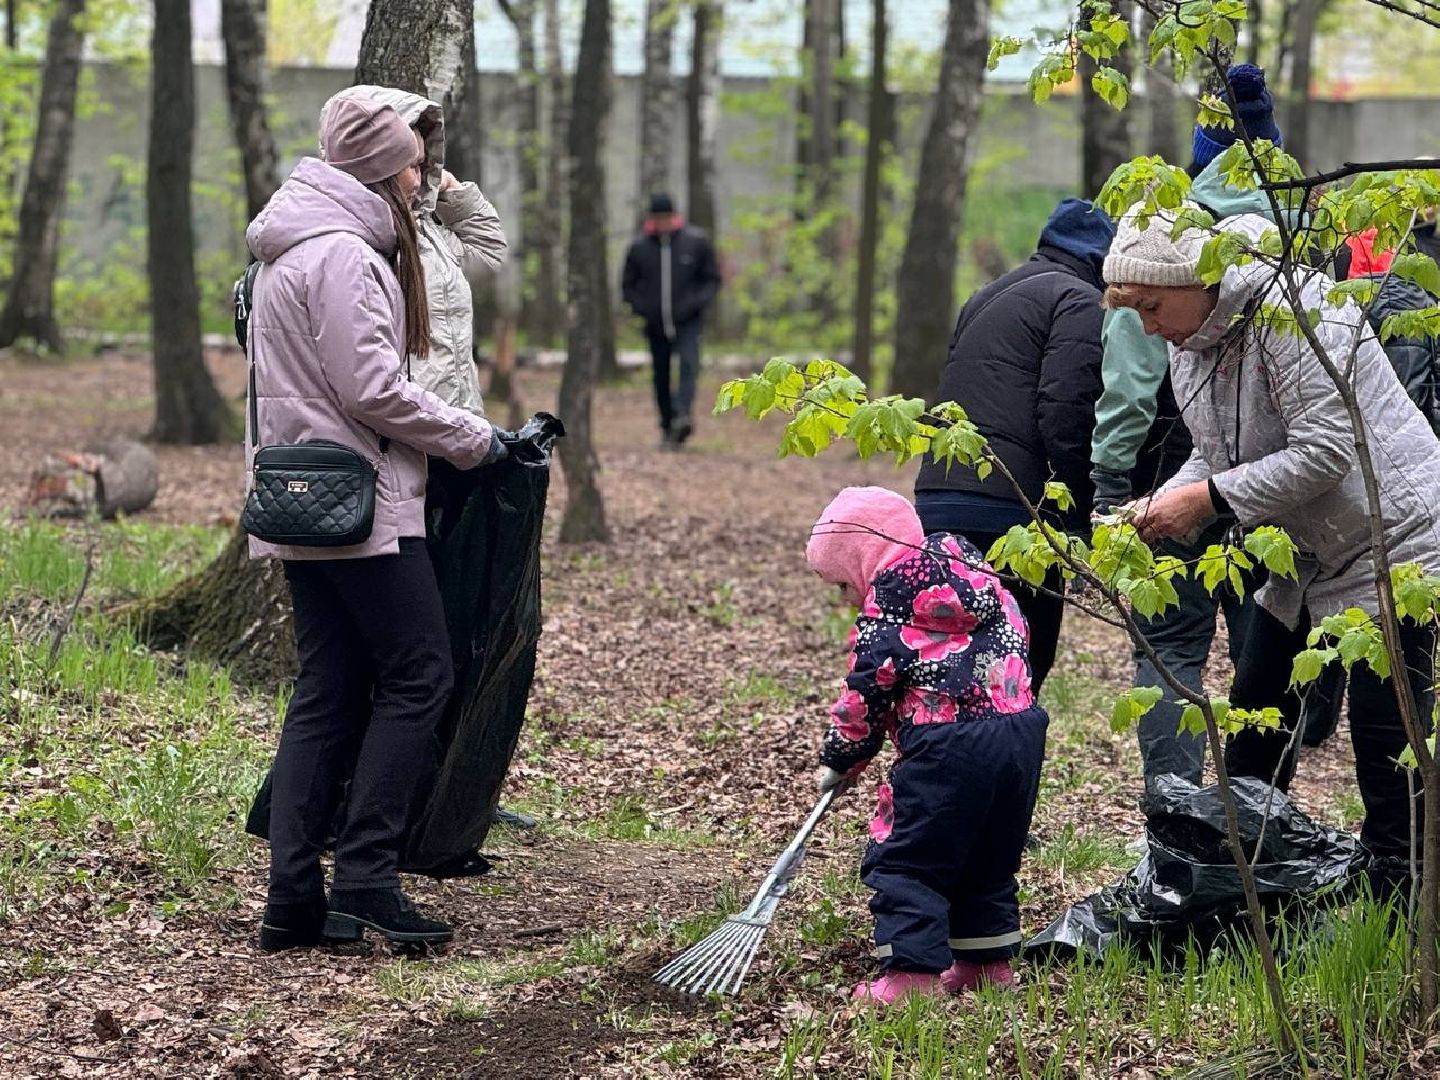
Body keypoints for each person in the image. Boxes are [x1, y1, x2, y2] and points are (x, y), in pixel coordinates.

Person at [1104, 203, 1440, 892]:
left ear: (1196, 278)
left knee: (1386, 733)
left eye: (1151, 306)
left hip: (1397, 539)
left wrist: (1205, 501)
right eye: (1133, 311)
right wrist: (1165, 502)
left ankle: (1401, 902)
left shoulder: (1295, 308)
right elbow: (1216, 451)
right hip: (1306, 548)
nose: (1148, 327)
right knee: (1259, 706)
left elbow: (1326, 451)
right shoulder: (1189, 343)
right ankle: (1237, 879)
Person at [244, 97, 506, 951]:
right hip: (362, 505)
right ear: (380, 169)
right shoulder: (346, 257)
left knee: (327, 688)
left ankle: (292, 899)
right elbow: (373, 392)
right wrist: (476, 438)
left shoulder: (285, 251)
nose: (421, 177)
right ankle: (364, 879)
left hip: (299, 498)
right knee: (420, 675)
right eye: (412, 164)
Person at [1089, 63, 1303, 790]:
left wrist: (1110, 479)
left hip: (1164, 468)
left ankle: (1172, 813)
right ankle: (1263, 817)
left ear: (1199, 157)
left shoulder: (1165, 239)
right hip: (1276, 479)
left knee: (1168, 646)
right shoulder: (1300, 240)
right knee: (1267, 651)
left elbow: (1129, 385)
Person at [806, 486, 1048, 1004]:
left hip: (947, 745)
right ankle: (986, 963)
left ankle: (911, 976)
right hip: (1020, 733)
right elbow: (1023, 640)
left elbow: (866, 691)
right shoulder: (980, 578)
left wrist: (843, 756)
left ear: (863, 556)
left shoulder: (889, 604)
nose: (845, 598)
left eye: (843, 583)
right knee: (987, 852)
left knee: (908, 858)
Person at [913, 198, 1115, 693]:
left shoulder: (986, 295)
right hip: (1012, 510)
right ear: (1102, 259)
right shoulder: (1079, 301)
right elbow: (1066, 412)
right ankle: (1002, 741)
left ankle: (939, 738)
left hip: (938, 498)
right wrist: (1077, 515)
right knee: (1022, 661)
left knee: (947, 652)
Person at [621, 193, 722, 447]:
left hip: (688, 321)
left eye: (666, 217)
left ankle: (682, 415)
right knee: (661, 375)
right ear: (651, 219)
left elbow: (711, 279)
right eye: (658, 218)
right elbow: (628, 286)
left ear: (674, 216)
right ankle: (667, 425)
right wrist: (643, 308)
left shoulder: (695, 242)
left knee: (688, 365)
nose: (662, 222)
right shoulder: (639, 248)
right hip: (655, 323)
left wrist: (696, 304)